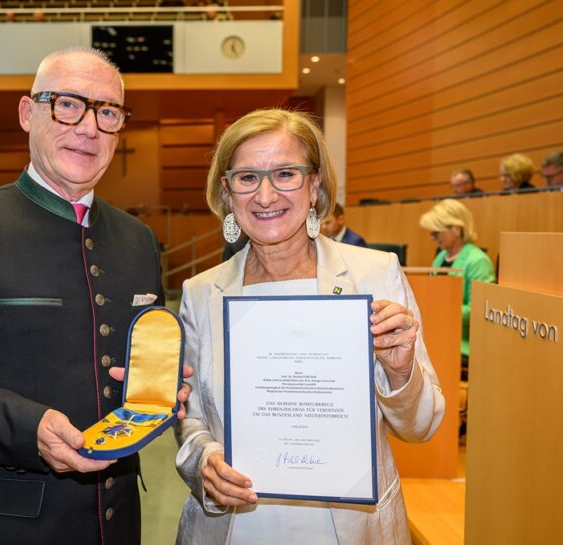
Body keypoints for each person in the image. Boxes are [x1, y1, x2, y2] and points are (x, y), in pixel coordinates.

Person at [0, 47, 189, 545]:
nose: (88, 128)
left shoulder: (137, 239)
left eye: (107, 112)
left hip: (116, 519)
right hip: (8, 523)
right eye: (67, 104)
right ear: (28, 113)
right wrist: (29, 428)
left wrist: (157, 385)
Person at [175, 109, 444, 545]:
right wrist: (204, 461)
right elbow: (189, 415)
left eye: (285, 174)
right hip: (236, 526)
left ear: (315, 184)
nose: (265, 196)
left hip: (352, 528)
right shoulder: (202, 292)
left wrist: (400, 372)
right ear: (227, 191)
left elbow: (421, 426)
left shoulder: (375, 275)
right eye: (246, 178)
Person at [419, 199, 495, 375]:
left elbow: (479, 311)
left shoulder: (478, 261)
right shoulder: (440, 258)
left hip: (463, 344)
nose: (432, 237)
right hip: (437, 336)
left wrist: (440, 310)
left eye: (436, 232)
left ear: (456, 229)